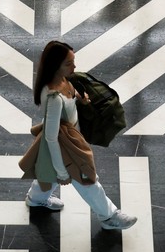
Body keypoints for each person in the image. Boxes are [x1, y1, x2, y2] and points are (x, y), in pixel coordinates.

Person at [24, 41, 137, 230]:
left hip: (71, 137)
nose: (74, 67)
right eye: (68, 63)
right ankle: (109, 216)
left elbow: (70, 98)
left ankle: (36, 198)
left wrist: (80, 99)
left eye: (73, 61)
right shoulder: (54, 99)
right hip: (65, 145)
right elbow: (52, 138)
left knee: (48, 173)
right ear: (55, 66)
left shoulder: (63, 81)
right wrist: (62, 172)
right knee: (87, 178)